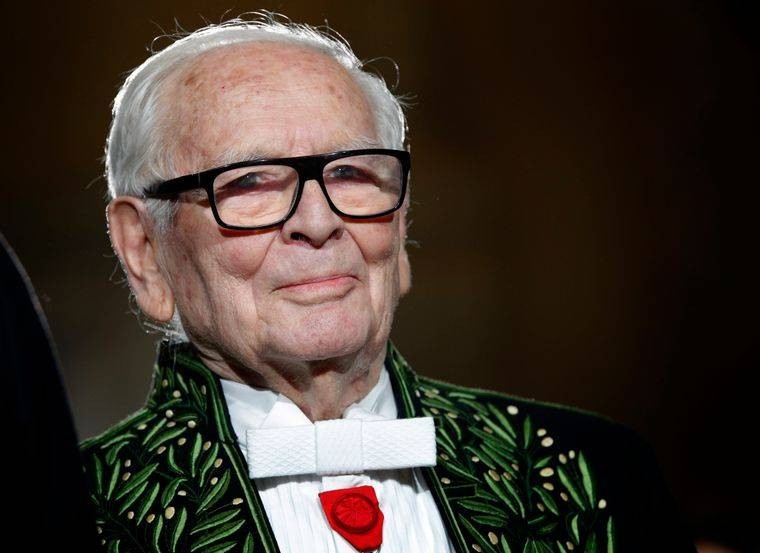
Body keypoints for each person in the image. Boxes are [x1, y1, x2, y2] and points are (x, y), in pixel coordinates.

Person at [79, 13, 697, 553]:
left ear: (401, 227)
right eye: (249, 182)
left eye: (351, 173)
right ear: (145, 251)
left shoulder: (597, 474)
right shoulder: (67, 517)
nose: (318, 222)